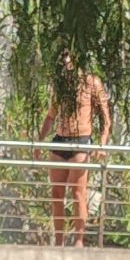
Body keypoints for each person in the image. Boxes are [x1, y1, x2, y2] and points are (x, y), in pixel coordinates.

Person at [36, 54, 111, 245]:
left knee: (78, 192)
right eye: (63, 63)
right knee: (56, 193)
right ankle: (59, 241)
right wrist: (39, 141)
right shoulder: (61, 85)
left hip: (81, 141)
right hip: (60, 139)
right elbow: (51, 116)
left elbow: (105, 117)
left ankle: (79, 240)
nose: (66, 66)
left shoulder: (92, 82)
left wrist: (102, 144)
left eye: (68, 62)